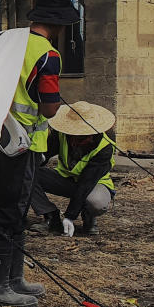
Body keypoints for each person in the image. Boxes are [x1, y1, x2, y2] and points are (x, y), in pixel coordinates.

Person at [0, 0, 80, 307]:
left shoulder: (11, 43)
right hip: (23, 145)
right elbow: (50, 108)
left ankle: (14, 278)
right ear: (59, 23)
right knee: (11, 211)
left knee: (15, 209)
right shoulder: (49, 55)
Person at [30, 101, 117, 237]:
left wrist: (70, 216)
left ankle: (89, 216)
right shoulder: (62, 134)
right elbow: (44, 154)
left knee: (96, 202)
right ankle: (51, 217)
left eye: (81, 136)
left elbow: (86, 183)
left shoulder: (105, 147)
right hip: (65, 179)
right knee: (27, 174)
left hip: (94, 185)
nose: (75, 140)